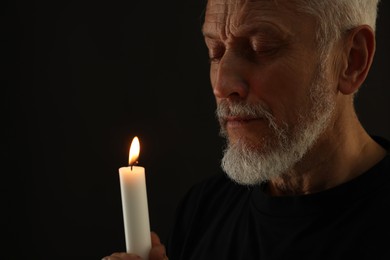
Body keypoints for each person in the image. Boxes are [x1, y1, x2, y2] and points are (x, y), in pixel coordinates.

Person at [103, 0, 389, 259]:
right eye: (215, 52)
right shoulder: (203, 212)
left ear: (352, 60)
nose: (222, 86)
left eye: (260, 47)